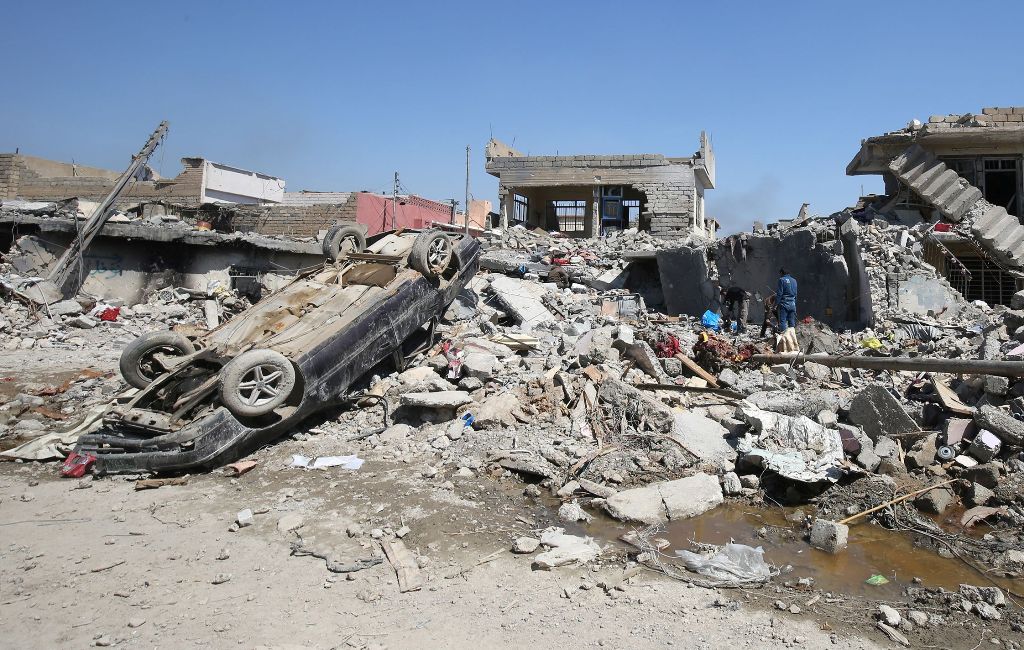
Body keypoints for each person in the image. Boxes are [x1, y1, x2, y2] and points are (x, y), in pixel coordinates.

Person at [776, 267, 798, 332]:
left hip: (784, 304)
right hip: (792, 304)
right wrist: (794, 303)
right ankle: (792, 336)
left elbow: (779, 294)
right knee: (792, 322)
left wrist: (776, 304)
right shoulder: (794, 280)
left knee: (783, 322)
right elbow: (796, 294)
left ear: (782, 273)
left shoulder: (781, 280)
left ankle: (783, 337)